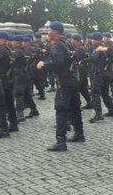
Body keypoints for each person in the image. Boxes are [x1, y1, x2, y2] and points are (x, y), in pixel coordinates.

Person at [36, 21, 84, 151]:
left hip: (64, 81)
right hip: (72, 79)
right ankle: (79, 133)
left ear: (55, 31)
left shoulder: (57, 45)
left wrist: (44, 65)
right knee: (74, 108)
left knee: (61, 110)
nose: (48, 33)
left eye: (49, 30)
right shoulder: (66, 43)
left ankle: (60, 141)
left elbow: (58, 62)